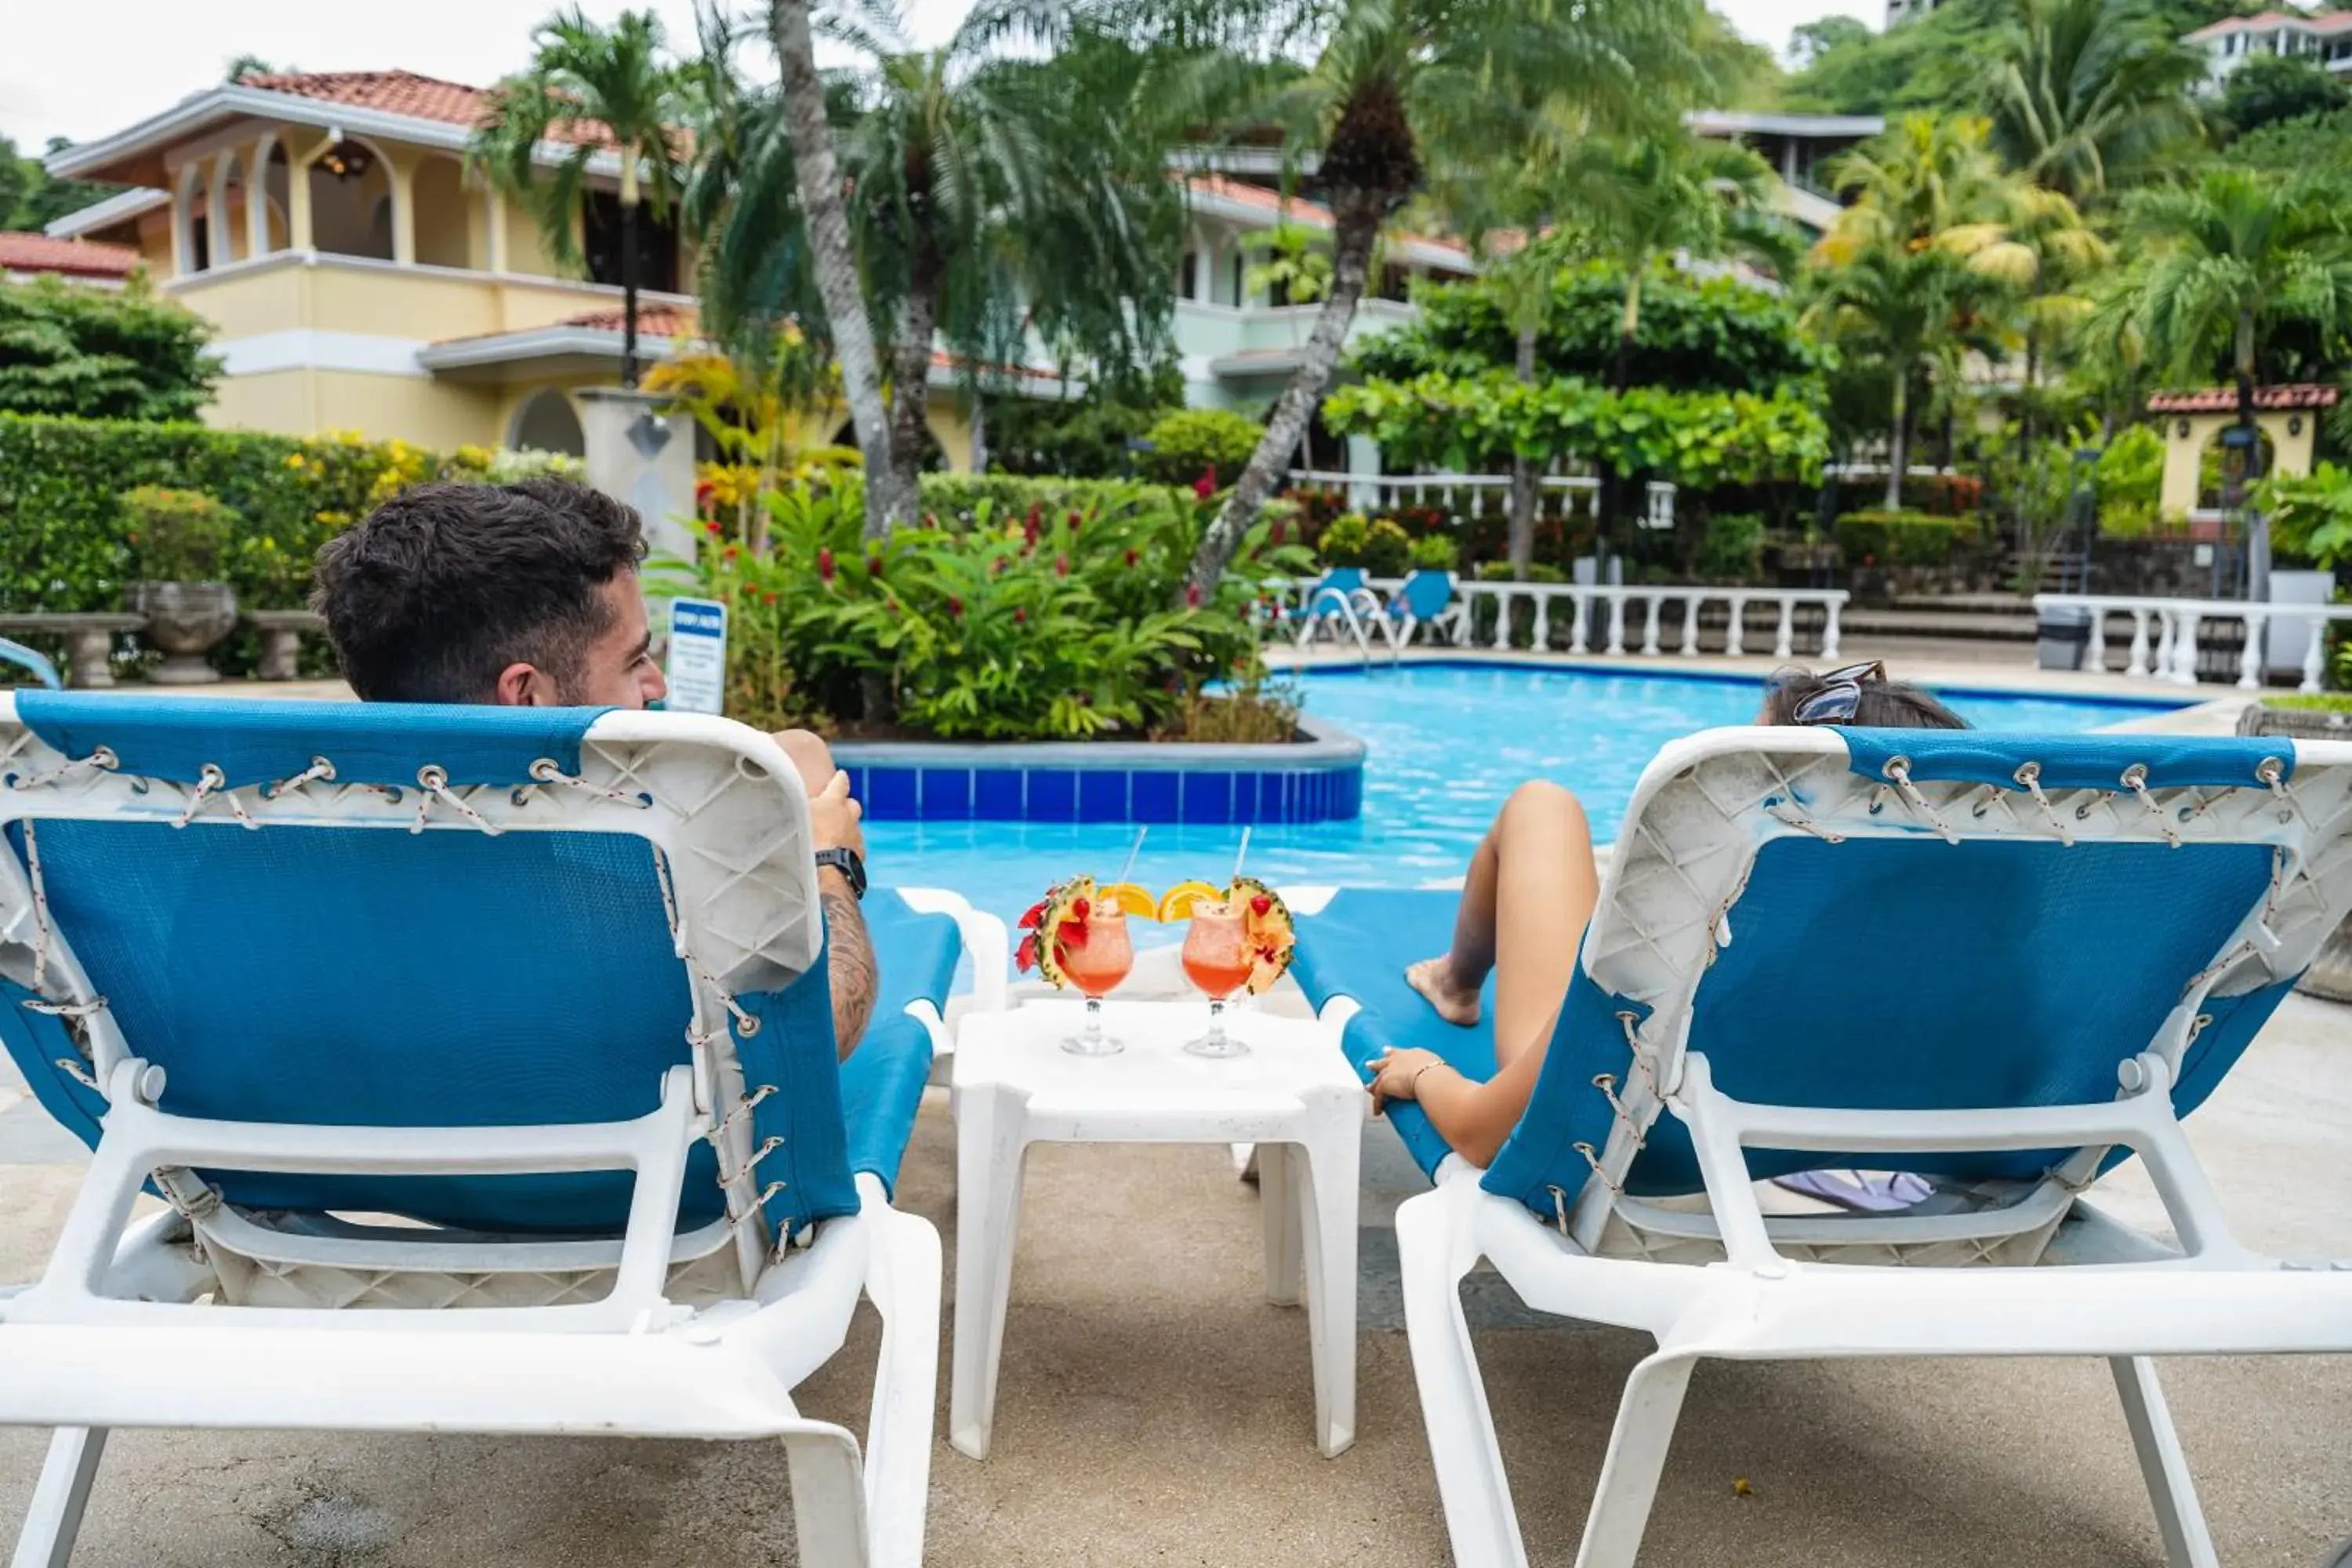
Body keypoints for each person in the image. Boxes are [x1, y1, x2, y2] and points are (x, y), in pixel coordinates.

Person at [312, 478, 878, 1057]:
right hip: (627, 1148)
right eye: (635, 660)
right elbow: (809, 1044)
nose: (659, 686)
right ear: (525, 696)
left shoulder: (281, 865)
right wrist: (830, 865)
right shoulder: (622, 899)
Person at [1367, 661, 1968, 1165]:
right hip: (1823, 1125)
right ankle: (1455, 977)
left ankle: (1456, 982)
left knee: (1541, 805)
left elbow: (1482, 1132)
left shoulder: (1668, 953)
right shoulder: (1950, 963)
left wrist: (1420, 1072)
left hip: (1646, 1143)